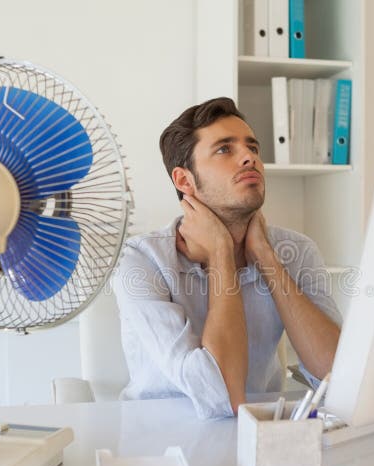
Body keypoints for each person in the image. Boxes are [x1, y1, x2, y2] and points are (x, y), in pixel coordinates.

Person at [112, 97, 341, 418]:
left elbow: (338, 376)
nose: (249, 158)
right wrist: (221, 252)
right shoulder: (141, 260)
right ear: (184, 181)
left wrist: (266, 257)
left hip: (259, 432)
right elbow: (220, 393)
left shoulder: (296, 250)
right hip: (159, 437)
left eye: (253, 148)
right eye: (224, 149)